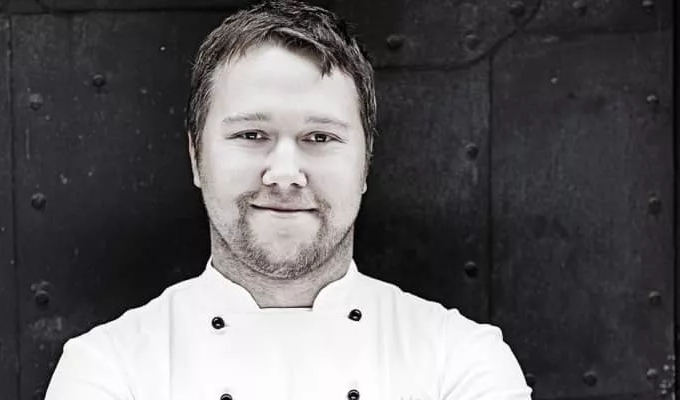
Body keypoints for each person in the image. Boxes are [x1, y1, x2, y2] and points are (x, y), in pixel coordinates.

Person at [45, 1, 532, 399]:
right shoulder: (108, 368)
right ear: (196, 158)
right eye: (251, 134)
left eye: (319, 137)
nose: (284, 175)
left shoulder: (460, 361)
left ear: (365, 164)